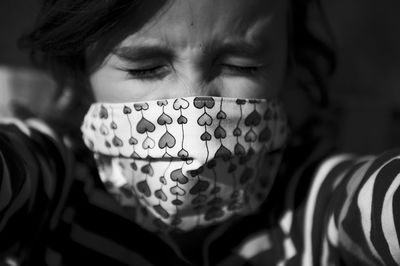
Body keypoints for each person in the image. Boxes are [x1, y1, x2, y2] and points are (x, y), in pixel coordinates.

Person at [0, 0, 399, 265]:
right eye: (144, 68)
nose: (194, 114)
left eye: (241, 65)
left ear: (289, 70)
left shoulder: (313, 202)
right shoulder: (54, 187)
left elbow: (373, 203)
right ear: (79, 78)